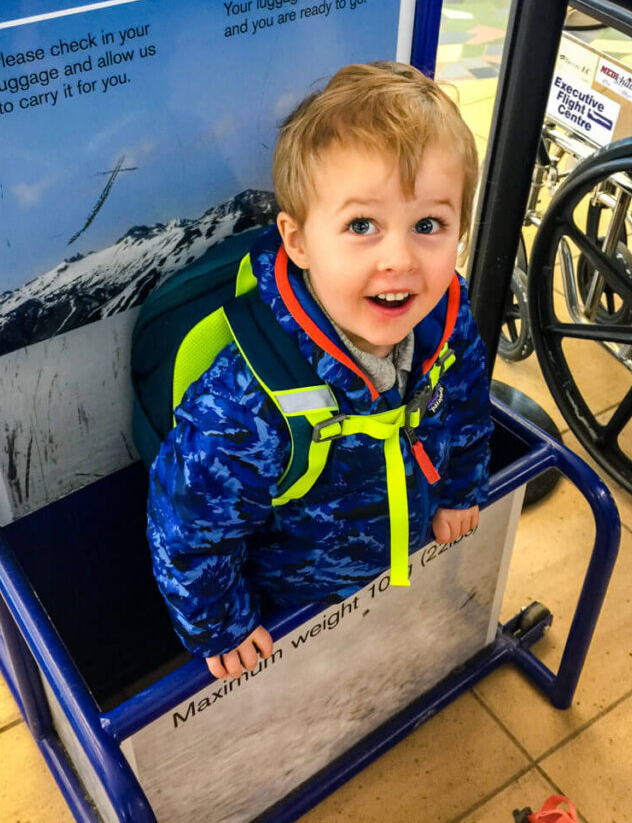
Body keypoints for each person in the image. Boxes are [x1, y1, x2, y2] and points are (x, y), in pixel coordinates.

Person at [146, 62, 492, 681]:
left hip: (401, 570)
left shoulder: (447, 316)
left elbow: (465, 404)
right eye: (362, 225)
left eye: (429, 225)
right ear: (298, 241)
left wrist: (460, 490)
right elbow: (187, 525)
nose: (400, 259)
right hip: (292, 611)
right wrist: (225, 624)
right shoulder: (247, 401)